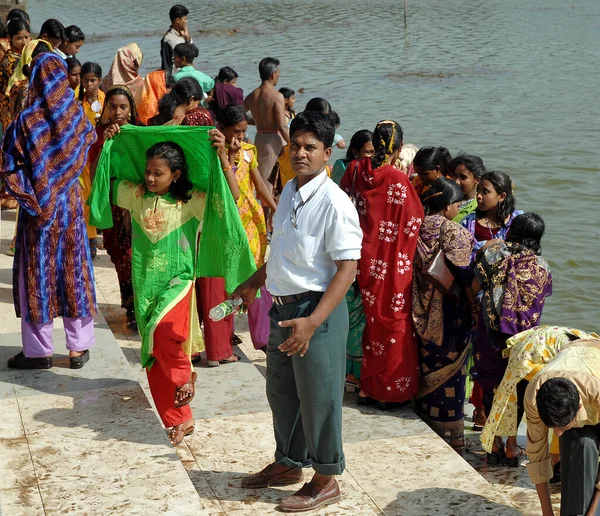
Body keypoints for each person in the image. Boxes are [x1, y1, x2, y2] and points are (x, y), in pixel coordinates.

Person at [232, 111, 362, 512]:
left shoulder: (335, 203)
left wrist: (312, 322)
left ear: (327, 153)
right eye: (296, 146)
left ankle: (325, 479)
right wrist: (255, 282)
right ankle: (289, 464)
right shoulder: (289, 189)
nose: (301, 153)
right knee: (283, 391)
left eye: (311, 148)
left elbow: (347, 269)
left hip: (315, 312)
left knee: (320, 396)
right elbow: (283, 251)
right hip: (282, 306)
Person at [0, 52, 96, 370]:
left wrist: (31, 198)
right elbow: (88, 139)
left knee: (38, 276)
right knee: (73, 274)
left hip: (39, 212)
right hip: (70, 207)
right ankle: (78, 348)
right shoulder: (76, 116)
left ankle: (38, 351)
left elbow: (10, 168)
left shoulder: (25, 122)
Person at [107, 142, 206, 445]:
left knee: (166, 334)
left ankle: (185, 377)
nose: (149, 178)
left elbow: (230, 199)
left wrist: (223, 158)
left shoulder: (191, 201)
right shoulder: (137, 197)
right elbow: (107, 178)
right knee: (155, 353)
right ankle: (180, 418)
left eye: (158, 173)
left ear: (175, 175)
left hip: (179, 282)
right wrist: (111, 140)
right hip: (146, 285)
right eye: (148, 171)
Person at [340, 120, 424, 408]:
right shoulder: (397, 180)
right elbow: (414, 221)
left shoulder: (353, 170)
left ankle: (359, 384)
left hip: (354, 260)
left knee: (360, 324)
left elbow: (341, 206)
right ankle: (386, 391)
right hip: (388, 263)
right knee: (391, 325)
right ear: (399, 148)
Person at [472, 213, 553, 466]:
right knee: (516, 388)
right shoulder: (542, 266)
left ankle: (493, 443)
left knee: (491, 385)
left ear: (513, 230)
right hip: (522, 339)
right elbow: (542, 298)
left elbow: (475, 286)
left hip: (490, 335)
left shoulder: (493, 254)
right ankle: (510, 446)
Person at [412, 178, 474, 452]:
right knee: (453, 374)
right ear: (448, 205)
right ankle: (455, 435)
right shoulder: (454, 232)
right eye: (458, 203)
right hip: (450, 315)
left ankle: (426, 419)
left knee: (426, 363)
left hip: (418, 312)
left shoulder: (413, 228)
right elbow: (465, 272)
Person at [481, 326, 600, 466]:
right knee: (561, 406)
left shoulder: (588, 342)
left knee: (510, 400)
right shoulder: (592, 356)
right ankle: (555, 460)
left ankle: (503, 447)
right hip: (535, 355)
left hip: (523, 352)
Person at [218, 104, 278, 353]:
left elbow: (260, 184)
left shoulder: (249, 151)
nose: (240, 137)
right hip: (229, 220)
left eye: (243, 132)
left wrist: (274, 207)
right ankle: (226, 331)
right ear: (223, 129)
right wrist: (228, 157)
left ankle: (262, 336)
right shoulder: (216, 154)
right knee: (230, 273)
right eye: (236, 131)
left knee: (255, 271)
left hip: (251, 220)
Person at [524, 340, 600, 516]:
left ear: (579, 408)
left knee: (586, 445)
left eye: (563, 426)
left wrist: (591, 511)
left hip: (595, 365)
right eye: (553, 427)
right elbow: (537, 456)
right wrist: (547, 512)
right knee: (571, 445)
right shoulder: (534, 394)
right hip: (571, 353)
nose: (556, 434)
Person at [90, 86, 140, 328]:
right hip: (113, 204)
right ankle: (130, 305)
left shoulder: (139, 132)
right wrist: (105, 142)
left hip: (136, 204)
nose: (117, 112)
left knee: (135, 255)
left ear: (131, 108)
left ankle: (139, 307)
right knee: (119, 255)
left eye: (123, 107)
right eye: (112, 106)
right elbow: (95, 170)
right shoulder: (98, 134)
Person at [244, 57, 289, 187]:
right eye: (278, 73)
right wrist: (293, 143)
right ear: (273, 74)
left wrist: (256, 120)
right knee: (274, 180)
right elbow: (281, 125)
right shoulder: (276, 96)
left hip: (259, 138)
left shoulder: (253, 95)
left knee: (263, 180)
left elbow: (239, 115)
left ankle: (264, 207)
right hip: (273, 140)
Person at [461, 171, 524, 261]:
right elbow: (459, 256)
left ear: (502, 196)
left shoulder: (517, 221)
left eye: (485, 192)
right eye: (478, 190)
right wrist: (484, 247)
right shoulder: (468, 223)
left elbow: (528, 251)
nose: (478, 196)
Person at [0, 18, 30, 132]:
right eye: (19, 38)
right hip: (11, 117)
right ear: (9, 38)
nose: (24, 42)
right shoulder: (11, 61)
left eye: (27, 37)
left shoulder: (24, 58)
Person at [449, 154, 485, 223]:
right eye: (455, 176)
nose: (457, 181)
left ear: (477, 180)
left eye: (463, 177)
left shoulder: (479, 206)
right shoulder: (446, 197)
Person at [161, 4, 191, 73]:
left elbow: (194, 53)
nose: (187, 21)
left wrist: (187, 39)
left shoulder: (184, 35)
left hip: (186, 74)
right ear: (177, 20)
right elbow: (166, 65)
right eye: (185, 19)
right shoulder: (168, 39)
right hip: (176, 77)